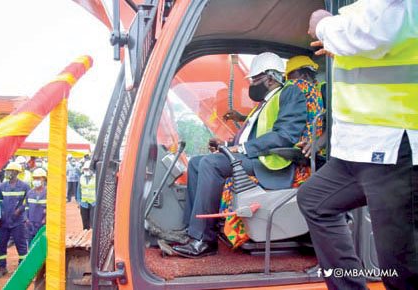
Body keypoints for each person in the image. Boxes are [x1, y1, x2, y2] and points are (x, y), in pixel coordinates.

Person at [297, 2, 418, 290]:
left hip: (392, 143)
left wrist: (323, 25)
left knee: (399, 268)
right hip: (357, 146)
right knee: (315, 200)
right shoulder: (360, 7)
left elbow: (375, 32)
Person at [172, 52, 308, 258]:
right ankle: (190, 230)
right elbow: (246, 138)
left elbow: (285, 136)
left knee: (211, 164)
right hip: (253, 156)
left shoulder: (290, 94)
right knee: (197, 163)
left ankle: (204, 240)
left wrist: (242, 149)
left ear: (270, 78)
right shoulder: (262, 105)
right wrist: (226, 145)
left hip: (269, 161)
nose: (252, 84)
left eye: (255, 79)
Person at [0, 162, 30, 279]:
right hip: (4, 222)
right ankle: (2, 268)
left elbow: (27, 201)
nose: (8, 173)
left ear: (16, 173)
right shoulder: (2, 186)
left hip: (18, 222)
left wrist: (20, 210)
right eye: (7, 171)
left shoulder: (24, 186)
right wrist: (0, 216)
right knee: (2, 245)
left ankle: (22, 268)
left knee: (21, 246)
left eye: (11, 171)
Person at [26, 168, 47, 244]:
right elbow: (26, 207)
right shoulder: (30, 193)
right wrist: (26, 219)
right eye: (34, 178)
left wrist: (45, 219)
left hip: (43, 224)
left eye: (38, 178)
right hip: (30, 224)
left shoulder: (48, 193)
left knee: (41, 244)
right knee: (31, 244)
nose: (36, 180)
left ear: (44, 179)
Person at [76, 161, 96, 230]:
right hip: (84, 203)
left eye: (88, 169)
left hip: (94, 203)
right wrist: (79, 201)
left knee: (93, 223)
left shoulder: (96, 178)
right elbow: (79, 190)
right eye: (85, 169)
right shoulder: (81, 177)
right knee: (85, 222)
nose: (86, 171)